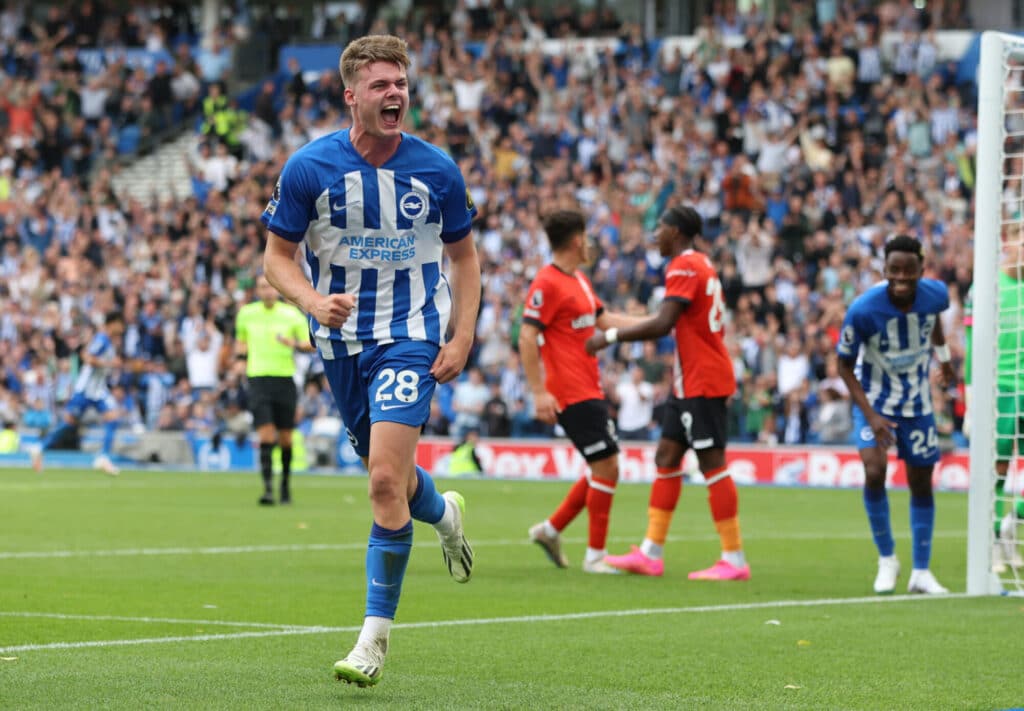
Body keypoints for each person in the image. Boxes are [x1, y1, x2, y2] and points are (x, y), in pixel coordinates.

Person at [261, 34, 479, 688]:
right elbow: (276, 258)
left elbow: (464, 260)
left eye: (401, 84)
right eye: (381, 85)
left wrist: (462, 335)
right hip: (341, 345)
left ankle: (372, 640)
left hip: (411, 333)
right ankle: (444, 515)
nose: (395, 95)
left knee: (383, 481)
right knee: (396, 479)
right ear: (350, 95)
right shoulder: (309, 168)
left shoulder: (437, 169)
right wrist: (310, 299)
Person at [586, 206, 750, 581]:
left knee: (711, 463)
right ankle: (651, 553)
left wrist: (608, 337)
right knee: (667, 455)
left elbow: (663, 323)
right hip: (688, 379)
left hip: (703, 380)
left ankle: (735, 558)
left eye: (659, 228)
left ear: (676, 231)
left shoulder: (684, 265)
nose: (654, 234)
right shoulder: (700, 264)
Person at [519, 209, 638, 575]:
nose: (588, 244)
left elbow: (605, 322)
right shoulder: (547, 282)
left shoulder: (580, 281)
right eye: (585, 238)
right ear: (575, 241)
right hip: (570, 393)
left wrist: (656, 324)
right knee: (607, 465)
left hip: (590, 387)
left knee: (601, 466)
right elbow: (527, 335)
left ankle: (550, 530)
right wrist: (539, 392)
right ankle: (595, 556)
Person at [836, 234, 955, 595]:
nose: (901, 278)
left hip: (917, 406)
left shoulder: (936, 295)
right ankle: (887, 559)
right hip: (876, 404)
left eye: (909, 270)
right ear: (884, 270)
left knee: (921, 482)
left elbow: (933, 320)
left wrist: (945, 360)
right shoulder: (863, 310)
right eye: (894, 271)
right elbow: (842, 365)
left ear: (921, 268)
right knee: (875, 470)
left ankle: (921, 571)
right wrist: (870, 415)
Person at [963, 239, 1024, 573]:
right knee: (997, 469)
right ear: (1011, 246)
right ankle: (994, 544)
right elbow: (973, 344)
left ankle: (1008, 529)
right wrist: (972, 397)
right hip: (1000, 387)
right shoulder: (988, 287)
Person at [234, 274, 315, 506]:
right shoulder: (247, 314)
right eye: (262, 287)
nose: (267, 291)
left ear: (277, 289)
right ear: (257, 290)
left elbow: (311, 343)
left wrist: (295, 344)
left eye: (270, 286)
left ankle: (285, 487)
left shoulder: (290, 315)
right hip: (258, 379)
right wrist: (240, 360)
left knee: (286, 438)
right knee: (266, 434)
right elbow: (241, 341)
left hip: (284, 380)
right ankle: (268, 489)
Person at [31, 311, 125, 477]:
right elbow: (88, 357)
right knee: (68, 423)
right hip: (85, 389)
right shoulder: (102, 339)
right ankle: (40, 447)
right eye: (120, 323)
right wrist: (110, 363)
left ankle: (103, 457)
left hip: (98, 390)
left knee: (113, 418)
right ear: (113, 323)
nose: (122, 328)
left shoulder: (107, 340)